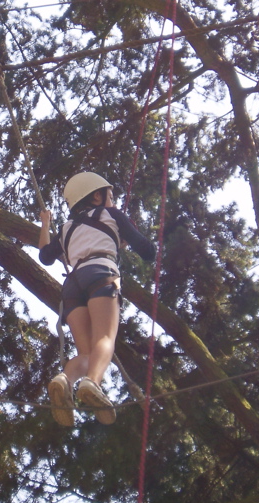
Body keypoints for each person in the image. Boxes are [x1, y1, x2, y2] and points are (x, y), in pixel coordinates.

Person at [38, 172, 155, 426]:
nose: (112, 202)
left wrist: (45, 224)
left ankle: (65, 380)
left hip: (72, 285)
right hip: (101, 273)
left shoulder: (67, 228)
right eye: (110, 196)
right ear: (97, 195)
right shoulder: (112, 215)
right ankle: (92, 383)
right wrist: (133, 238)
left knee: (87, 352)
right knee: (105, 338)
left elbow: (46, 257)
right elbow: (147, 251)